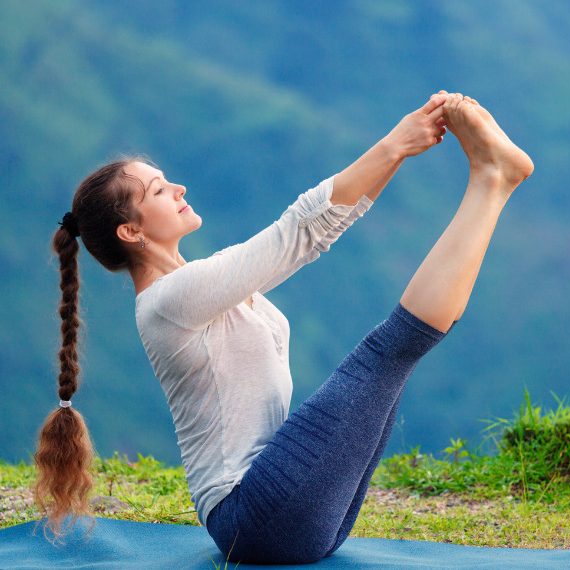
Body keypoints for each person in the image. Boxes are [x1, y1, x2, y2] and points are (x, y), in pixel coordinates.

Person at [34, 91, 533, 561]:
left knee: (392, 365)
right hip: (254, 516)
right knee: (389, 351)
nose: (179, 188)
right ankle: (491, 181)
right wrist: (395, 144)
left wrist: (400, 153)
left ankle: (492, 178)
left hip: (288, 517)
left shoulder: (200, 283)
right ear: (132, 231)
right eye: (160, 190)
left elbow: (321, 228)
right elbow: (298, 231)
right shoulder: (167, 301)